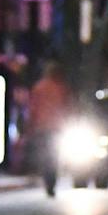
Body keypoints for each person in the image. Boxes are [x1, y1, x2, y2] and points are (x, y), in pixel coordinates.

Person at [26, 62, 72, 197]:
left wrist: (30, 126)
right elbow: (67, 107)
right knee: (54, 157)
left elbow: (33, 109)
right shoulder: (62, 88)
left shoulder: (39, 88)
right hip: (56, 128)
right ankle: (51, 182)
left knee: (45, 156)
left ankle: (48, 182)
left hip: (42, 128)